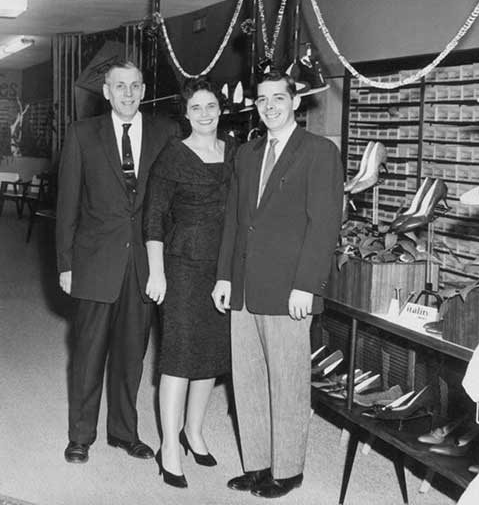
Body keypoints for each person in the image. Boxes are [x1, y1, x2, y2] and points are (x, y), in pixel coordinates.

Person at [212, 70, 344, 499]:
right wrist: (224, 277)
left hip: (290, 289)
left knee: (287, 380)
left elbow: (323, 225)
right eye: (262, 99)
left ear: (295, 101)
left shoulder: (319, 151)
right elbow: (234, 220)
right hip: (245, 286)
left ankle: (288, 470)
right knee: (247, 379)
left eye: (278, 98)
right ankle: (258, 464)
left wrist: (307, 285)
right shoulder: (247, 155)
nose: (269, 106)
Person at [56, 60, 179, 464]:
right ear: (105, 92)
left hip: (145, 263)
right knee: (88, 353)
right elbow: (67, 205)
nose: (127, 93)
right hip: (94, 262)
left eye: (135, 86)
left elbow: (175, 204)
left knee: (132, 355)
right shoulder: (82, 134)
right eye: (119, 86)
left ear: (144, 91)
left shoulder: (165, 132)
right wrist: (65, 265)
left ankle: (124, 432)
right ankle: (81, 436)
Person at [143, 78, 237, 488]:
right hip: (181, 265)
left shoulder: (233, 152)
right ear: (186, 114)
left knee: (210, 356)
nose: (204, 114)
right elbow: (153, 217)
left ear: (220, 109)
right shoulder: (173, 156)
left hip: (222, 267)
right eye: (196, 107)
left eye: (210, 106)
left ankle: (193, 432)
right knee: (180, 356)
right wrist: (157, 271)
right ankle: (168, 447)